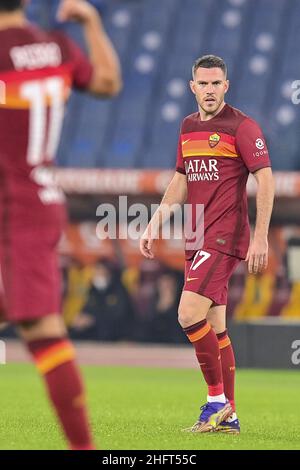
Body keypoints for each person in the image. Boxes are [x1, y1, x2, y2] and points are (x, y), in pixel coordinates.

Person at [0, 0, 121, 450]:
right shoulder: (57, 46)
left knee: (43, 331)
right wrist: (91, 22)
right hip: (39, 199)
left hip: (13, 208)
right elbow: (108, 82)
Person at [140, 55, 274, 434]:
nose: (210, 90)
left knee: (187, 313)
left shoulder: (243, 127)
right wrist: (155, 222)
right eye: (203, 83)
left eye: (217, 83)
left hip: (224, 234)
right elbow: (181, 178)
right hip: (196, 235)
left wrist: (261, 235)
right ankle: (228, 417)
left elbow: (265, 179)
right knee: (215, 325)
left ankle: (215, 402)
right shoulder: (187, 127)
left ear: (226, 86)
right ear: (192, 87)